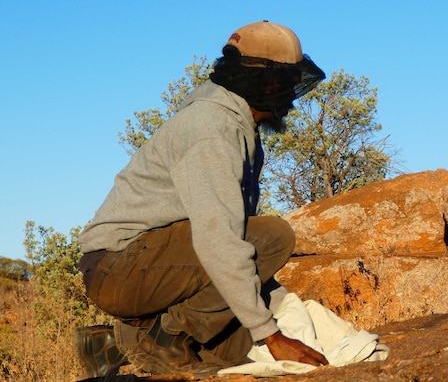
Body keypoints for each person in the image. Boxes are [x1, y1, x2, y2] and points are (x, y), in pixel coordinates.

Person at [76, 21, 330, 377]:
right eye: (289, 83)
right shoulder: (212, 130)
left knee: (237, 356)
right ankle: (166, 339)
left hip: (136, 270)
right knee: (274, 236)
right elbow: (221, 242)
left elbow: (232, 246)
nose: (292, 96)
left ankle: (114, 345)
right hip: (119, 268)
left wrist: (274, 317)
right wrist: (271, 334)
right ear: (270, 83)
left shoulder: (236, 126)